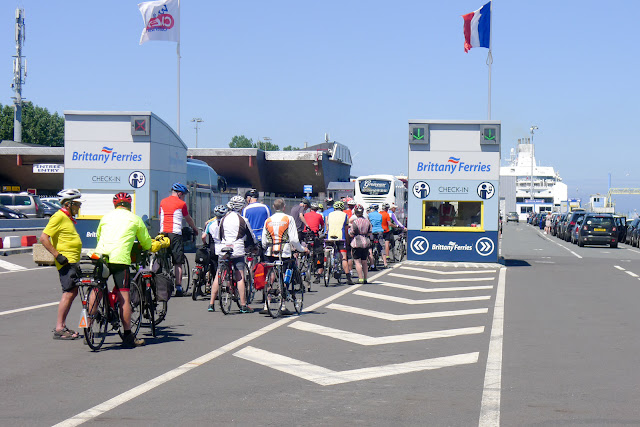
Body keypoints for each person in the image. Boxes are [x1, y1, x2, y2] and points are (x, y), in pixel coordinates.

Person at [95, 192, 155, 348]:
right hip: (120, 259)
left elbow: (99, 236)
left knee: (96, 290)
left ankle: (88, 326)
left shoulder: (106, 217)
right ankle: (128, 336)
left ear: (115, 205)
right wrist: (147, 248)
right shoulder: (135, 219)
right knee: (124, 297)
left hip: (100, 256)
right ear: (129, 205)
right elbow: (146, 241)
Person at [40, 189, 84, 340]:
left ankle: (62, 326)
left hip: (72, 260)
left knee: (73, 292)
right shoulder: (58, 217)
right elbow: (44, 238)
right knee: (69, 292)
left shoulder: (67, 217)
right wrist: (57, 256)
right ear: (68, 204)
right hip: (66, 261)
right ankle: (60, 328)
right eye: (77, 204)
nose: (79, 207)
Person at [261, 198, 309, 315]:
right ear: (284, 207)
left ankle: (267, 304)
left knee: (271, 276)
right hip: (284, 251)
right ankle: (282, 305)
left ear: (273, 207)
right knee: (284, 274)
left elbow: (263, 240)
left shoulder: (268, 220)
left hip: (270, 251)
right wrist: (302, 249)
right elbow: (293, 239)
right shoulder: (288, 219)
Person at [209, 195, 256, 313]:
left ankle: (211, 304)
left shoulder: (224, 218)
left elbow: (219, 235)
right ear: (241, 207)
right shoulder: (242, 220)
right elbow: (251, 236)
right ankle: (244, 305)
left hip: (224, 248)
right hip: (237, 249)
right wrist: (254, 246)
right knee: (240, 276)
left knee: (218, 274)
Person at [159, 182, 198, 297]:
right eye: (184, 195)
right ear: (180, 194)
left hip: (162, 233)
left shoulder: (162, 202)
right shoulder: (182, 204)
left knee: (161, 257)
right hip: (175, 234)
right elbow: (188, 219)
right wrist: (194, 228)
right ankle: (179, 287)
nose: (184, 197)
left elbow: (162, 215)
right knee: (178, 262)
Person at [202, 205, 227, 311]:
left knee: (215, 270)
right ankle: (226, 287)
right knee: (224, 269)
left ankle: (212, 298)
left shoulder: (210, 223)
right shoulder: (226, 223)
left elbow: (203, 236)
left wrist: (205, 244)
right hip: (224, 247)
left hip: (213, 248)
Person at [326, 200, 353, 284]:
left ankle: (326, 264)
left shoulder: (329, 215)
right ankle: (348, 278)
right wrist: (348, 241)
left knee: (327, 250)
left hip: (330, 237)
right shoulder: (345, 215)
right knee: (344, 258)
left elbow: (327, 227)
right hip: (341, 237)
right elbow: (346, 229)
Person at [349, 204, 372, 284]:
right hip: (366, 242)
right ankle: (365, 278)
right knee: (364, 261)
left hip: (356, 243)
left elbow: (352, 233)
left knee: (357, 261)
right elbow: (369, 233)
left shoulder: (355, 222)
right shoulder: (367, 221)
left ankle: (360, 278)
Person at [303, 202, 325, 285]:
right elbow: (322, 226)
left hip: (306, 235)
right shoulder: (319, 216)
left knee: (305, 249)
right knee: (319, 253)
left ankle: (304, 263)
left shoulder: (305, 215)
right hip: (314, 235)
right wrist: (320, 230)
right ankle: (318, 270)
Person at [368, 204, 386, 268]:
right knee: (381, 246)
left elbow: (368, 223)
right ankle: (385, 263)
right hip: (380, 231)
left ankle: (371, 261)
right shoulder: (380, 215)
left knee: (370, 246)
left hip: (372, 231)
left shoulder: (369, 215)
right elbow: (380, 223)